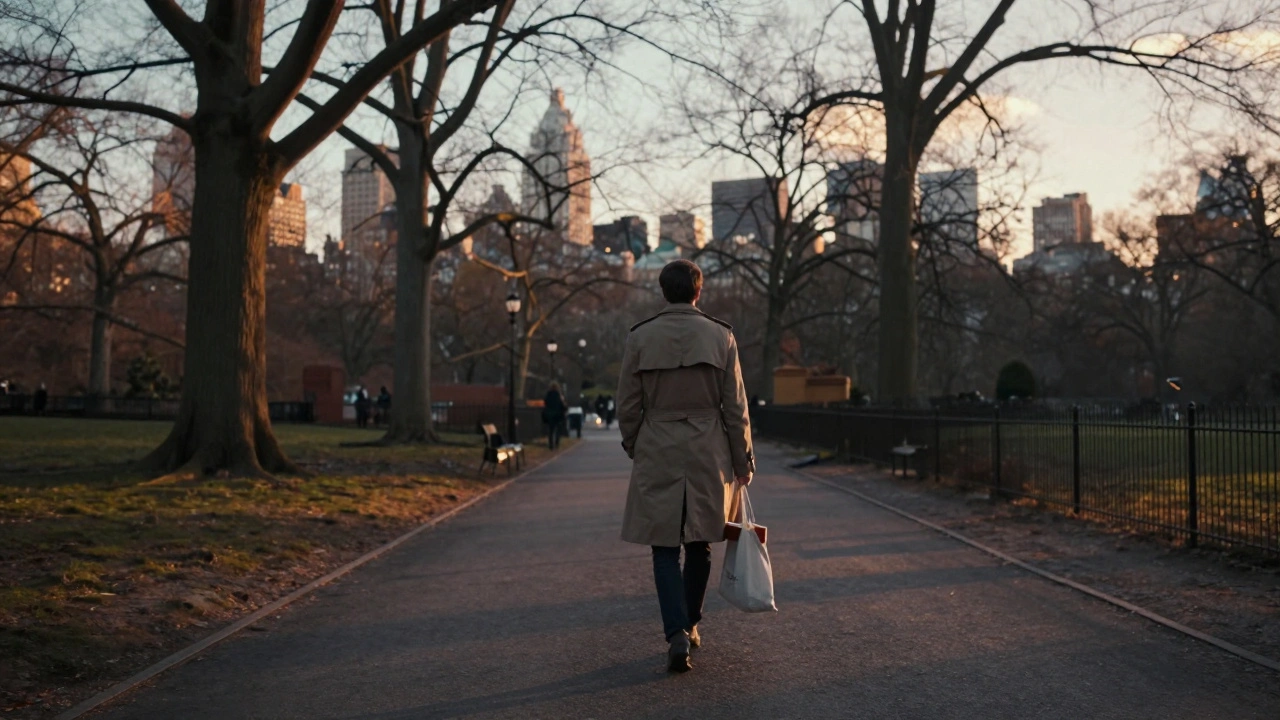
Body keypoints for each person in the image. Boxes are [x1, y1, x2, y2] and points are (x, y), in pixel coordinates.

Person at [617, 259, 754, 674]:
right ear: (698, 291)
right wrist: (742, 459)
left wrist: (635, 443)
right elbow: (735, 407)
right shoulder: (721, 335)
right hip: (708, 448)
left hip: (658, 443)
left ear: (663, 291)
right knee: (701, 543)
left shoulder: (640, 337)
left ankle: (676, 631)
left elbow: (627, 404)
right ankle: (691, 622)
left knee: (663, 547)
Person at [542, 382, 567, 450]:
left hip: (549, 415)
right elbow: (562, 405)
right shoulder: (559, 396)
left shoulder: (548, 395)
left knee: (550, 430)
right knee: (558, 430)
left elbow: (545, 403)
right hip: (558, 415)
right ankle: (556, 443)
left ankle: (551, 444)